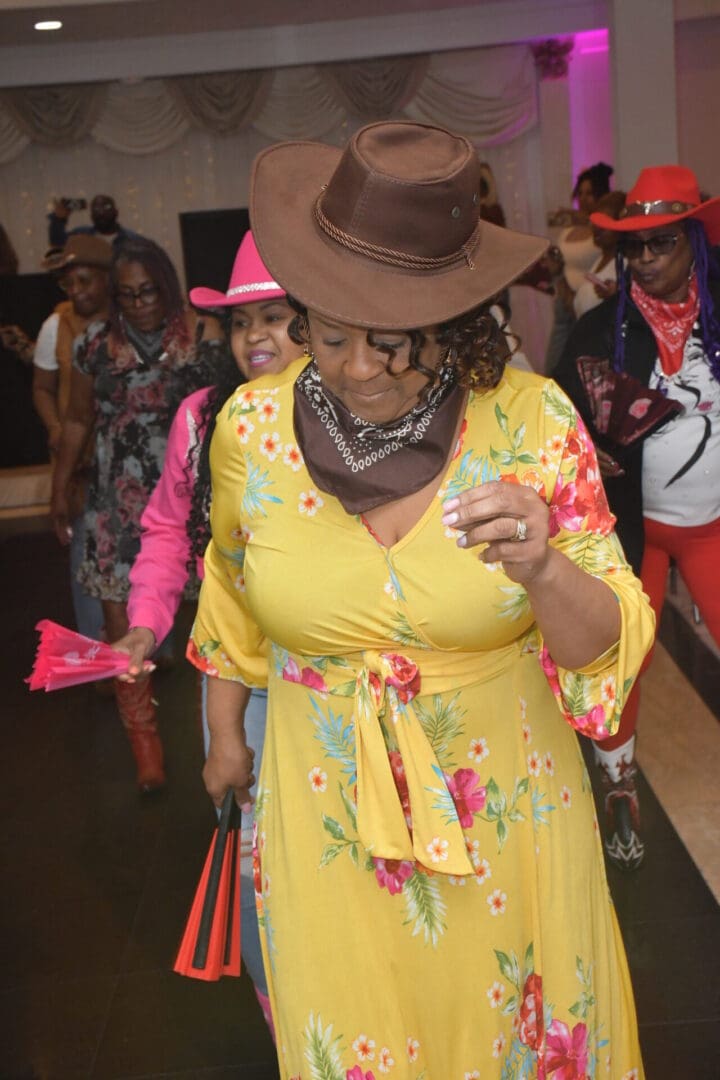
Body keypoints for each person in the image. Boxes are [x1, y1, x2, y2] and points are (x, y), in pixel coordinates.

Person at [188, 121, 654, 1078]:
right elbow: (231, 596)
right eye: (329, 333)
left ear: (456, 324)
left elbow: (605, 643)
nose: (360, 369)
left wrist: (545, 570)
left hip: (509, 809)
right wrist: (225, 736)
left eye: (396, 343)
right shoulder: (251, 431)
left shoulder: (530, 420)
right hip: (327, 808)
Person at [110, 231, 299, 1030]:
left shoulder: (360, 413)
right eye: (243, 322)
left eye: (280, 319)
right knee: (257, 866)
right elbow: (165, 534)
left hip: (355, 678)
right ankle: (287, 1026)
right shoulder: (203, 418)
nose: (258, 338)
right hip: (243, 677)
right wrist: (144, 629)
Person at [555, 164, 720, 872]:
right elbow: (558, 427)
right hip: (633, 534)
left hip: (713, 528)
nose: (647, 259)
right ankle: (619, 781)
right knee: (622, 662)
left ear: (694, 242)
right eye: (635, 247)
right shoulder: (601, 329)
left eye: (662, 243)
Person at [50, 236, 224, 793]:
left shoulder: (204, 336)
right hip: (115, 502)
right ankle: (144, 745)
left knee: (213, 622)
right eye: (128, 295)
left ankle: (221, 734)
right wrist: (60, 492)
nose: (141, 303)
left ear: (167, 287)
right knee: (121, 629)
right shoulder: (96, 344)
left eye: (149, 291)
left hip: (191, 495)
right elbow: (77, 419)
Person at [32, 235, 113, 642]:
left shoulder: (130, 315)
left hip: (125, 457)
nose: (77, 292)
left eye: (86, 281)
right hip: (77, 459)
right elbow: (42, 388)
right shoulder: (56, 324)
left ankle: (149, 644)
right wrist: (56, 428)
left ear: (107, 278)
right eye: (69, 284)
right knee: (84, 548)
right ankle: (94, 648)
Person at [544, 162, 614, 373]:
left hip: (585, 308)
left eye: (590, 193)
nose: (583, 198)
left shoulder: (604, 233)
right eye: (580, 192)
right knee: (553, 367)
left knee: (575, 373)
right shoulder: (570, 229)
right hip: (563, 303)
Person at [572, 190, 626, 319]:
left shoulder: (626, 264)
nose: (597, 228)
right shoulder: (599, 260)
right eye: (596, 222)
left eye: (604, 223)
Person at [47, 194, 140, 251]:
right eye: (96, 208)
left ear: (116, 212)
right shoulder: (82, 235)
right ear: (91, 215)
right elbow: (57, 242)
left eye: (106, 207)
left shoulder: (132, 240)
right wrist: (59, 219)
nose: (101, 212)